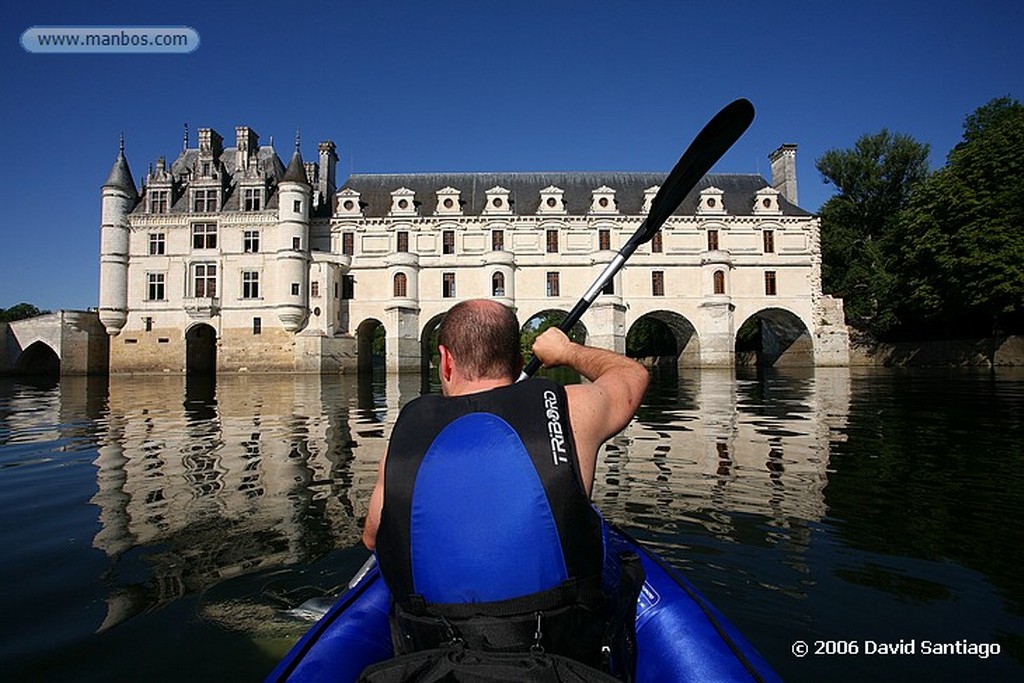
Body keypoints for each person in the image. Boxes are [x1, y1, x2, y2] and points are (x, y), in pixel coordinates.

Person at [361, 299, 648, 676]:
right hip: (559, 654)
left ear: (445, 361)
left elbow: (373, 538)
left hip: (433, 657)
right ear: (517, 363)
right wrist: (566, 351)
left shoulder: (404, 437)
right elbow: (632, 375)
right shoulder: (573, 410)